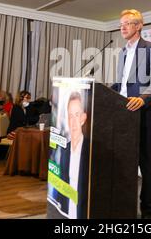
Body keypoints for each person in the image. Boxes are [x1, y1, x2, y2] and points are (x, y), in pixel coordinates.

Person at [111, 9, 151, 219]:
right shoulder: (123, 52)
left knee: (145, 164)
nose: (122, 27)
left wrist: (142, 99)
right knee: (124, 164)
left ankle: (148, 211)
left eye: (127, 23)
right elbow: (122, 84)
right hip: (122, 115)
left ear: (139, 25)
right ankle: (124, 207)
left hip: (143, 115)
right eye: (121, 24)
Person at [58, 91, 90, 219]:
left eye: (77, 115)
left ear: (83, 118)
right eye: (70, 116)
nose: (73, 121)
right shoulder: (64, 150)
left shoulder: (90, 149)